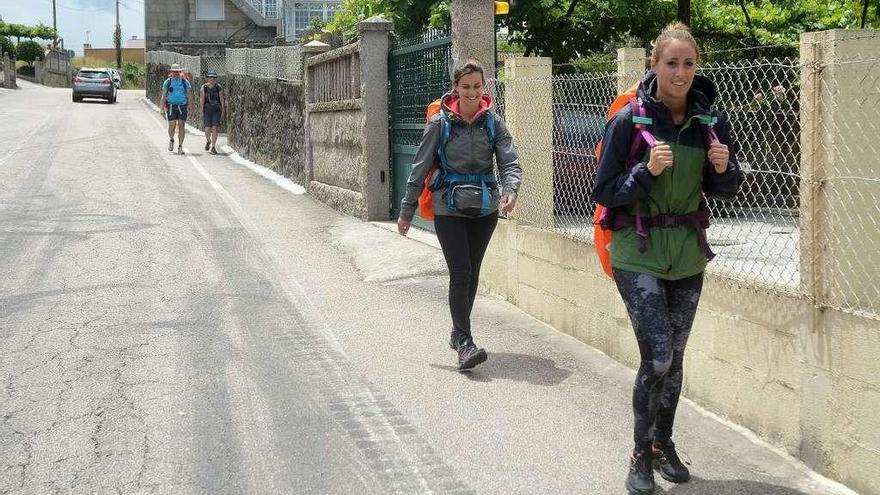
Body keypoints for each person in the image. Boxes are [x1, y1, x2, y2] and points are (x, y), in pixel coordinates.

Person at [590, 23, 742, 495]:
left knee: (675, 361)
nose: (680, 73)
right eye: (671, 63)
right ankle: (639, 452)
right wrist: (646, 171)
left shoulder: (709, 122)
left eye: (688, 64)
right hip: (638, 253)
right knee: (656, 357)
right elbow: (604, 192)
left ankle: (663, 444)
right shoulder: (629, 121)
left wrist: (724, 168)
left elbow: (725, 190)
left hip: (688, 255)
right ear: (654, 65)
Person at [397, 59, 522, 371]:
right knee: (461, 271)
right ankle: (465, 343)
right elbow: (420, 166)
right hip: (448, 208)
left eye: (477, 86)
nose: (471, 92)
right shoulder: (440, 123)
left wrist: (511, 189)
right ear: (455, 88)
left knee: (473, 273)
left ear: (484, 88)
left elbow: (509, 161)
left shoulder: (492, 122)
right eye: (466, 87)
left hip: (485, 208)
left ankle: (457, 333)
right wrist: (406, 211)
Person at [158, 63, 192, 155]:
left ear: (180, 72)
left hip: (182, 106)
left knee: (181, 126)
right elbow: (164, 95)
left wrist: (190, 107)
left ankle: (180, 146)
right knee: (171, 125)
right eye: (174, 72)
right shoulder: (168, 82)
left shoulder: (185, 82)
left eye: (177, 72)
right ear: (171, 72)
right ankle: (172, 139)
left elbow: (189, 95)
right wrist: (161, 108)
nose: (176, 73)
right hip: (171, 106)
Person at [200, 71, 225, 155]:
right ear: (207, 78)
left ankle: (213, 147)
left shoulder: (219, 87)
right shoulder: (204, 87)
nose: (212, 79)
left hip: (216, 110)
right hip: (207, 110)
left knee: (215, 128)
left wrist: (223, 111)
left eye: (213, 78)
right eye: (210, 77)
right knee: (207, 129)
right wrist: (201, 111)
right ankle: (208, 141)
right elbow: (202, 99)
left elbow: (222, 99)